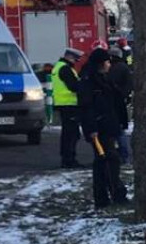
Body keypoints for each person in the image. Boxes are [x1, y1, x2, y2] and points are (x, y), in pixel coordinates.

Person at [78, 48, 129, 209]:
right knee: (108, 160)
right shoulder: (89, 81)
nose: (109, 65)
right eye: (107, 62)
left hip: (108, 125)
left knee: (104, 162)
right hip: (98, 128)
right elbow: (86, 107)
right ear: (101, 63)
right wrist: (91, 128)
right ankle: (114, 194)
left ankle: (105, 197)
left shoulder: (103, 79)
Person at [52, 48, 84, 168]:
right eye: (75, 59)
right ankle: (69, 160)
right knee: (71, 134)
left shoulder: (58, 66)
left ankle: (67, 158)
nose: (76, 62)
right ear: (69, 57)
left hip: (63, 104)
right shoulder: (65, 69)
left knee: (68, 133)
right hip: (69, 105)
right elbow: (73, 86)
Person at [108, 47, 133, 164]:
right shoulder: (125, 68)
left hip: (112, 103)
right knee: (120, 131)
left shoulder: (112, 69)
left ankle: (118, 155)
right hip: (121, 103)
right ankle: (124, 156)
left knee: (115, 132)